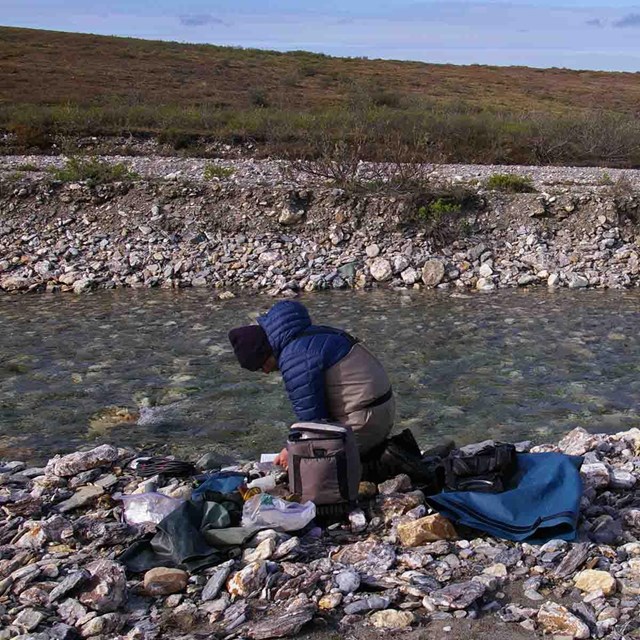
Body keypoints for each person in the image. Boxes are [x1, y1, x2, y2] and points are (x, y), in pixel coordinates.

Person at [228, 300, 395, 468]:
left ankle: (374, 466)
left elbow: (314, 422)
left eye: (261, 365)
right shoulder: (311, 335)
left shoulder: (295, 357)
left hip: (366, 424)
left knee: (305, 465)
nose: (265, 371)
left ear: (265, 352)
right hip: (380, 413)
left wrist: (290, 450)